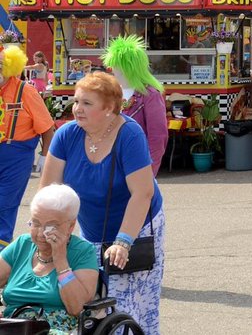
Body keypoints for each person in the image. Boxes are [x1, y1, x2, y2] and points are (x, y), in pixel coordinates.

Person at [39, 72, 165, 333]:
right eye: (76, 101)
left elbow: (142, 194)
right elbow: (49, 192)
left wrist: (123, 242)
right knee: (91, 306)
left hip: (135, 228)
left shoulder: (130, 134)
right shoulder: (66, 135)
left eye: (86, 103)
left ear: (109, 108)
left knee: (127, 307)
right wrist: (46, 232)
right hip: (90, 231)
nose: (77, 109)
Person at [0, 185, 99, 333]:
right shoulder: (22, 244)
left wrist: (60, 259)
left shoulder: (83, 252)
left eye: (50, 227)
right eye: (36, 223)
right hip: (14, 326)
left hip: (56, 329)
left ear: (71, 226)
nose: (41, 233)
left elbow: (76, 307)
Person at [0, 46, 55, 249]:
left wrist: (44, 156)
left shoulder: (26, 91)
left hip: (16, 156)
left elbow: (48, 128)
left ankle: (1, 254)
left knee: (4, 205)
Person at [103, 35, 168, 177]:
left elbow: (157, 137)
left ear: (128, 66)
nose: (111, 68)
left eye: (115, 64)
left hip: (136, 166)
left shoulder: (150, 95)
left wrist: (148, 172)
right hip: (108, 166)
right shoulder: (109, 94)